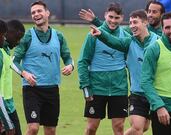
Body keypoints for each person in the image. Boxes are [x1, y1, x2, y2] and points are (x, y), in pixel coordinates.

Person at [90, 9, 159, 135]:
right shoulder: (129, 42)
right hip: (137, 94)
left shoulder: (158, 42)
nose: (132, 26)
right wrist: (101, 34)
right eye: (130, 23)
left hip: (156, 94)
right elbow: (114, 41)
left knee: (144, 128)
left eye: (135, 22)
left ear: (145, 23)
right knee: (138, 128)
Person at [12, 1, 74, 135]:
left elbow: (68, 58)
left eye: (39, 11)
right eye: (33, 12)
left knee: (51, 130)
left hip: (52, 89)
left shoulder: (59, 36)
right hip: (32, 90)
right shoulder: (27, 36)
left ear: (47, 13)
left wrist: (70, 66)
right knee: (33, 128)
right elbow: (14, 61)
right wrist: (25, 74)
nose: (36, 14)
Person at [77, 2, 129, 135]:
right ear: (105, 15)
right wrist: (85, 86)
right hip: (97, 88)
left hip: (119, 88)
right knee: (91, 128)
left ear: (122, 18)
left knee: (119, 128)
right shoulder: (93, 34)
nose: (113, 20)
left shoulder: (126, 35)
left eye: (116, 18)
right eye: (110, 17)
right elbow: (83, 61)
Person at [0, 19, 25, 135]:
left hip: (8, 105)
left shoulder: (5, 51)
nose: (19, 42)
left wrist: (23, 73)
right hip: (3, 107)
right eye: (17, 37)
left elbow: (11, 64)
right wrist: (7, 123)